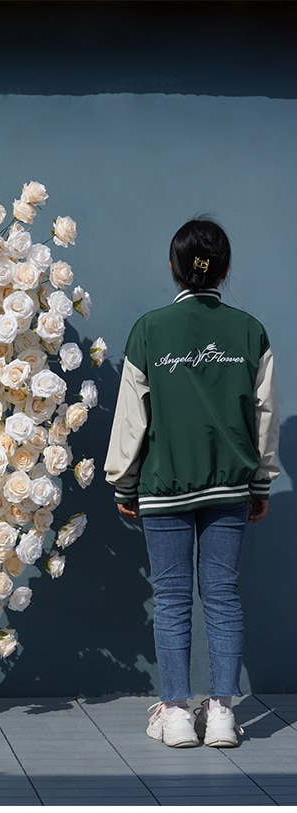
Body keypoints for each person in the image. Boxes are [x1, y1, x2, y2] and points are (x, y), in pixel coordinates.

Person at [104, 217, 279, 748]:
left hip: (164, 487)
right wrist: (262, 481)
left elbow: (132, 418)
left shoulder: (150, 330)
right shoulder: (249, 331)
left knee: (174, 599)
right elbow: (265, 414)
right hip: (230, 487)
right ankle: (223, 712)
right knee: (223, 597)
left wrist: (123, 483)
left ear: (174, 268)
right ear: (224, 269)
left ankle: (177, 714)